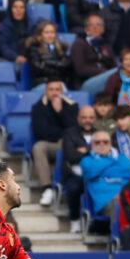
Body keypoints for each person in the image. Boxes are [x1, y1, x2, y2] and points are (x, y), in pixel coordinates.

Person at [31, 79, 79, 207]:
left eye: (57, 90)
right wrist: (62, 132)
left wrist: (60, 112)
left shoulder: (72, 106)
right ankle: (47, 188)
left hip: (68, 144)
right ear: (46, 91)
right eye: (51, 90)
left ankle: (66, 185)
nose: (54, 93)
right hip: (51, 144)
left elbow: (74, 130)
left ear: (62, 91)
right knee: (38, 147)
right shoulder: (38, 107)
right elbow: (40, 132)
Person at [81, 130, 130, 216]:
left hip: (128, 196)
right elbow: (92, 171)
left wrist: (103, 171)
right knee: (118, 204)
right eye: (97, 142)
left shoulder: (122, 158)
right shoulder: (87, 161)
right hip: (105, 202)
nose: (102, 144)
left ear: (110, 144)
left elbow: (129, 170)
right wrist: (113, 161)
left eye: (105, 142)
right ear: (92, 145)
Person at [62, 105, 96, 234]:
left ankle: (96, 224)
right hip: (75, 174)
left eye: (91, 117)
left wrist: (82, 150)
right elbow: (71, 156)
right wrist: (90, 150)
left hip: (95, 174)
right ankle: (75, 221)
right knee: (74, 188)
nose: (87, 120)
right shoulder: (69, 133)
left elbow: (104, 154)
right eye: (84, 117)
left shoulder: (99, 134)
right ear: (78, 119)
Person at [71, 14, 117, 94]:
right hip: (86, 82)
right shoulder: (79, 44)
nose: (95, 27)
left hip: (106, 79)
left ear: (103, 29)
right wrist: (103, 72)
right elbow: (80, 69)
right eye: (91, 25)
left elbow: (113, 65)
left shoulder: (105, 45)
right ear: (86, 28)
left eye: (98, 25)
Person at [25, 20, 71, 89]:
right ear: (40, 34)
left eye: (52, 32)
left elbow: (66, 65)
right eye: (46, 32)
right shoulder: (34, 49)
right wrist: (57, 66)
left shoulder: (62, 48)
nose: (50, 35)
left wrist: (48, 62)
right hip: (42, 83)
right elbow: (38, 69)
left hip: (59, 83)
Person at [0, 0, 30, 67]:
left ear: (25, 10)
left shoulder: (30, 24)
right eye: (15, 7)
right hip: (11, 60)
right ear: (11, 9)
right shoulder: (4, 26)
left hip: (28, 59)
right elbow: (3, 47)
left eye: (21, 7)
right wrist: (15, 57)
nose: (18, 10)